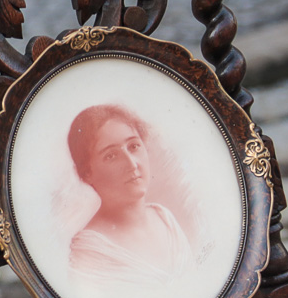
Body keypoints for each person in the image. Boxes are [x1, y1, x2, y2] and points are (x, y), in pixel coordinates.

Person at [66, 103, 194, 287]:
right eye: (111, 156)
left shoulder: (165, 219)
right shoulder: (89, 252)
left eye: (134, 146)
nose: (132, 164)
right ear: (87, 173)